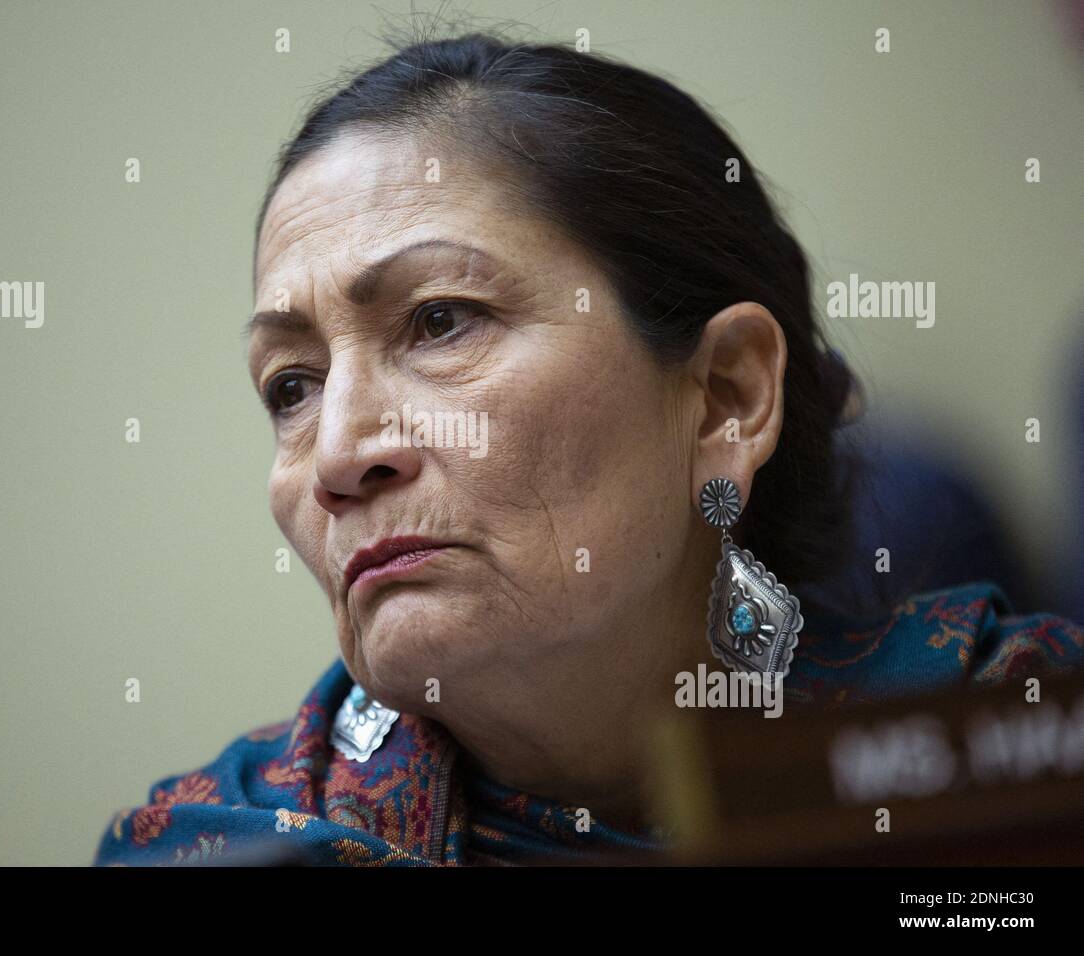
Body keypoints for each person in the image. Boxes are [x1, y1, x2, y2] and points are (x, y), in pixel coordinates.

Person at [94, 31, 1084, 866]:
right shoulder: (214, 842)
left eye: (438, 320)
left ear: (725, 397)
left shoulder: (1010, 748)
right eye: (291, 387)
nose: (340, 453)